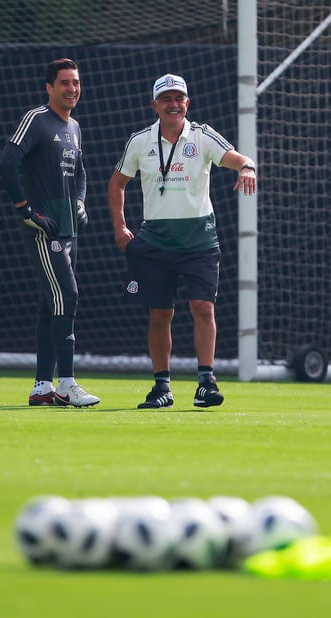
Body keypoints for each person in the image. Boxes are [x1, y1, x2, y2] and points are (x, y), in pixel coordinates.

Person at [108, 73, 257, 409]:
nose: (173, 104)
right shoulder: (140, 141)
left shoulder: (202, 136)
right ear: (155, 105)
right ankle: (162, 386)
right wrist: (121, 228)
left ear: (187, 103)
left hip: (198, 241)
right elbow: (117, 183)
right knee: (159, 314)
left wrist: (246, 167)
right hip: (155, 241)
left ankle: (206, 381)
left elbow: (235, 157)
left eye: (179, 99)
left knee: (203, 308)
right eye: (166, 99)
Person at [0, 58, 100, 408]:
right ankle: (68, 384)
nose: (71, 88)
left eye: (75, 82)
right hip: (45, 229)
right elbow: (7, 162)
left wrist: (82, 203)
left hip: (69, 228)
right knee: (67, 297)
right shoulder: (36, 119)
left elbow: (82, 173)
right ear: (49, 87)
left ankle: (42, 388)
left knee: (49, 305)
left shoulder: (75, 127)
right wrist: (25, 210)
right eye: (64, 83)